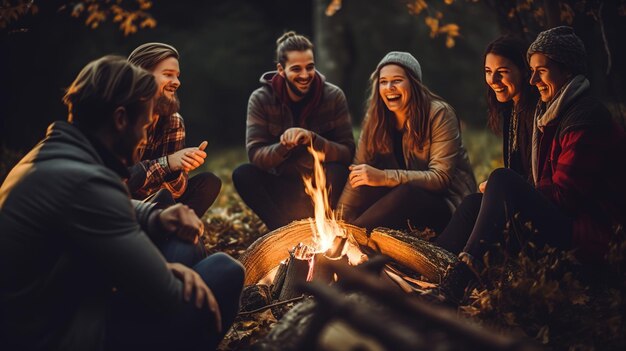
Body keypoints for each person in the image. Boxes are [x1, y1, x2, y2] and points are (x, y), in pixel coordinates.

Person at [0, 56, 244, 350]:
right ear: (120, 119)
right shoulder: (84, 181)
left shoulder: (53, 154)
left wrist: (155, 218)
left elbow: (97, 207)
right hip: (60, 335)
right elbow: (164, 293)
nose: (144, 136)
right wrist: (166, 271)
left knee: (181, 242)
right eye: (145, 123)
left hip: (60, 307)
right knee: (225, 271)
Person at [436, 26, 626, 302]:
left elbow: (565, 198)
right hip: (567, 225)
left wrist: (514, 192)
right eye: (532, 70)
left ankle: (460, 277)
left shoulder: (584, 118)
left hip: (590, 241)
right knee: (473, 204)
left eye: (541, 71)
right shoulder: (555, 113)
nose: (533, 79)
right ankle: (433, 261)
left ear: (568, 70)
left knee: (501, 179)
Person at [337, 51, 476, 233]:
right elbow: (357, 172)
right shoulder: (375, 120)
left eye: (397, 80)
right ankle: (341, 235)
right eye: (383, 82)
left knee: (406, 192)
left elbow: (440, 178)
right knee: (365, 184)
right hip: (400, 201)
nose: (389, 87)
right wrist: (338, 218)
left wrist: (384, 177)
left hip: (446, 205)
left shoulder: (439, 113)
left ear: (413, 83)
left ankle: (350, 236)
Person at [232, 31, 355, 231]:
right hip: (283, 187)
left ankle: (326, 228)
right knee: (243, 174)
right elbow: (255, 155)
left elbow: (348, 152)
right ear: (281, 70)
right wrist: (282, 147)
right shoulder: (261, 99)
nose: (305, 75)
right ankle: (282, 231)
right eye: (296, 69)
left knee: (339, 171)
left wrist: (313, 140)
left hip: (322, 185)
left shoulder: (333, 96)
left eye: (310, 67)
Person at [434, 35, 539, 254]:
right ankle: (434, 256)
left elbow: (533, 178)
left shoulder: (535, 112)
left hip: (537, 217)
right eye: (488, 72)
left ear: (524, 70)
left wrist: (498, 187)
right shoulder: (511, 110)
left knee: (494, 184)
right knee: (473, 202)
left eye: (502, 72)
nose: (493, 80)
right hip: (518, 201)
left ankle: (463, 264)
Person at [127, 42, 222, 219]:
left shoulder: (173, 120)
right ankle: (175, 233)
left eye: (177, 76)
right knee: (162, 199)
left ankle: (177, 230)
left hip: (160, 204)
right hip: (120, 208)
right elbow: (117, 182)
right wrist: (167, 163)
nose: (177, 82)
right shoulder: (118, 117)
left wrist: (181, 165)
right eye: (168, 75)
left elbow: (177, 191)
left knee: (208, 182)